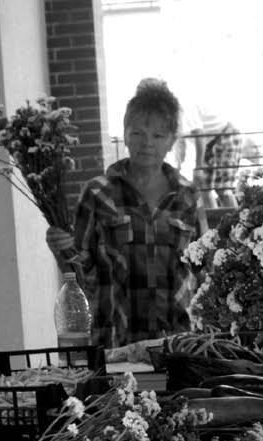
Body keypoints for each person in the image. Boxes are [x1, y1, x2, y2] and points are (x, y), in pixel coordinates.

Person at [47, 77, 199, 348]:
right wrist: (61, 248)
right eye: (138, 132)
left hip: (178, 342)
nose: (147, 143)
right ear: (125, 133)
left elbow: (201, 269)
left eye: (158, 135)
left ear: (171, 141)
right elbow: (81, 274)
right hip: (115, 341)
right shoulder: (97, 194)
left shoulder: (188, 196)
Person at [175, 99, 241, 208]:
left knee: (223, 189)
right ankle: (214, 221)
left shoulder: (187, 109)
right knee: (203, 187)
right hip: (209, 143)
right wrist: (177, 168)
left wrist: (198, 168)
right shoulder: (171, 120)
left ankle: (236, 221)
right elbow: (180, 144)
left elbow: (200, 137)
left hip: (225, 136)